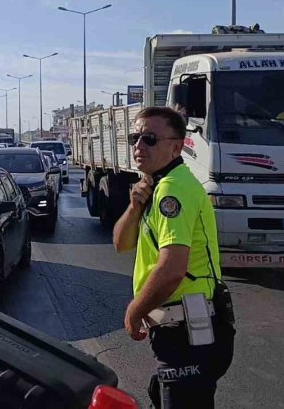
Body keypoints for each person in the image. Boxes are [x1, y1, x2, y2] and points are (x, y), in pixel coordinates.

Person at [112, 107, 235, 408]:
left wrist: (134, 311)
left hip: (188, 333)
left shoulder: (172, 190)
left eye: (150, 139)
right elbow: (121, 244)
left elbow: (172, 269)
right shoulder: (156, 187)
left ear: (176, 147)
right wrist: (134, 207)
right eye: (135, 137)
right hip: (183, 331)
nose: (139, 146)